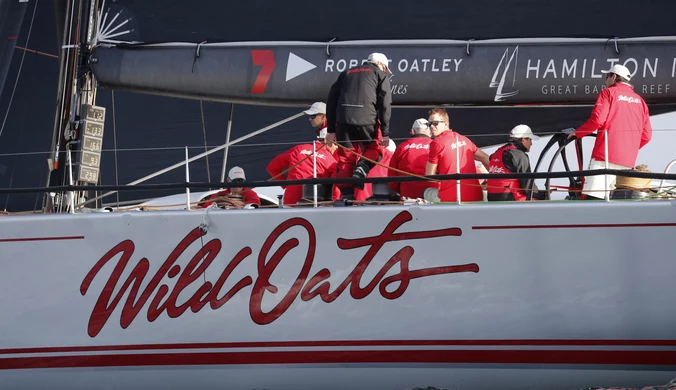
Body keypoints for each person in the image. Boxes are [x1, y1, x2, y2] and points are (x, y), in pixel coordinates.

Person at [568, 64, 652, 200]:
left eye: (606, 76)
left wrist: (578, 133)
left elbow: (597, 120)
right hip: (627, 162)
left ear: (614, 77)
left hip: (604, 158)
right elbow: (647, 135)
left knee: (593, 199)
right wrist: (627, 148)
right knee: (616, 201)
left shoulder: (608, 93)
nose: (605, 80)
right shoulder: (641, 101)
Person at [325, 52, 392, 190]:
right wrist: (385, 133)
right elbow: (385, 104)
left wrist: (331, 130)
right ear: (380, 64)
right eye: (385, 68)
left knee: (345, 157)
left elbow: (331, 101)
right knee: (375, 148)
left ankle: (345, 194)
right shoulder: (380, 74)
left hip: (343, 121)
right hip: (367, 121)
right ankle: (362, 168)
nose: (385, 71)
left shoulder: (346, 73)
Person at [266, 105, 338, 206]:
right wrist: (334, 203)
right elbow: (337, 184)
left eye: (312, 116)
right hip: (318, 204)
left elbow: (272, 167)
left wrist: (287, 186)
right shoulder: (332, 159)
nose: (309, 119)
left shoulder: (298, 149)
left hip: (291, 202)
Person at [425, 108, 490, 202]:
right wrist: (492, 180)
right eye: (429, 124)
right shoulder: (465, 139)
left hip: (451, 198)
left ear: (446, 123)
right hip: (475, 196)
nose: (431, 126)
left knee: (426, 192)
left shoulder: (437, 143)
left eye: (435, 123)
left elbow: (429, 177)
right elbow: (485, 158)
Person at [486, 124, 546, 201]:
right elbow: (527, 184)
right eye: (530, 140)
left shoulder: (497, 153)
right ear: (524, 139)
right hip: (510, 197)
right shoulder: (519, 155)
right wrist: (542, 195)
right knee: (540, 202)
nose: (531, 144)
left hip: (492, 198)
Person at [388, 118, 439, 199]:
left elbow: (392, 180)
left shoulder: (401, 147)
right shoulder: (437, 146)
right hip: (433, 195)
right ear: (430, 132)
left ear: (413, 131)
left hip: (408, 196)